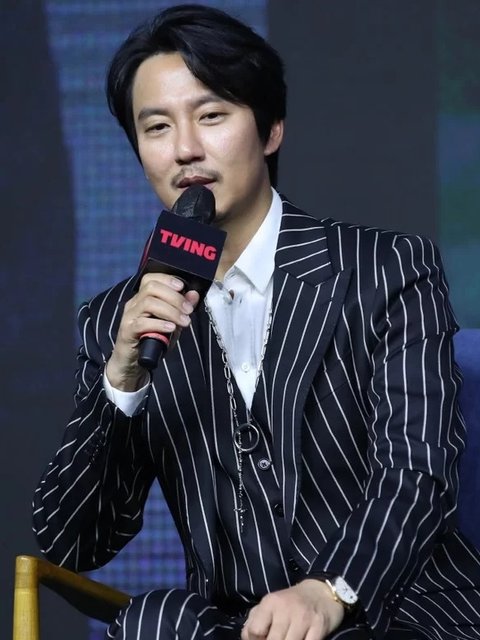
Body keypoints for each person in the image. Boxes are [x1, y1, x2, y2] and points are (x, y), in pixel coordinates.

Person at [33, 4, 480, 639]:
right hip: (240, 626)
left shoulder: (385, 269)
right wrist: (122, 383)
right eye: (156, 127)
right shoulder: (118, 320)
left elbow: (418, 471)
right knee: (153, 621)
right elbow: (73, 543)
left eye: (211, 116)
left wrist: (331, 590)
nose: (185, 149)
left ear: (270, 129)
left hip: (393, 611)